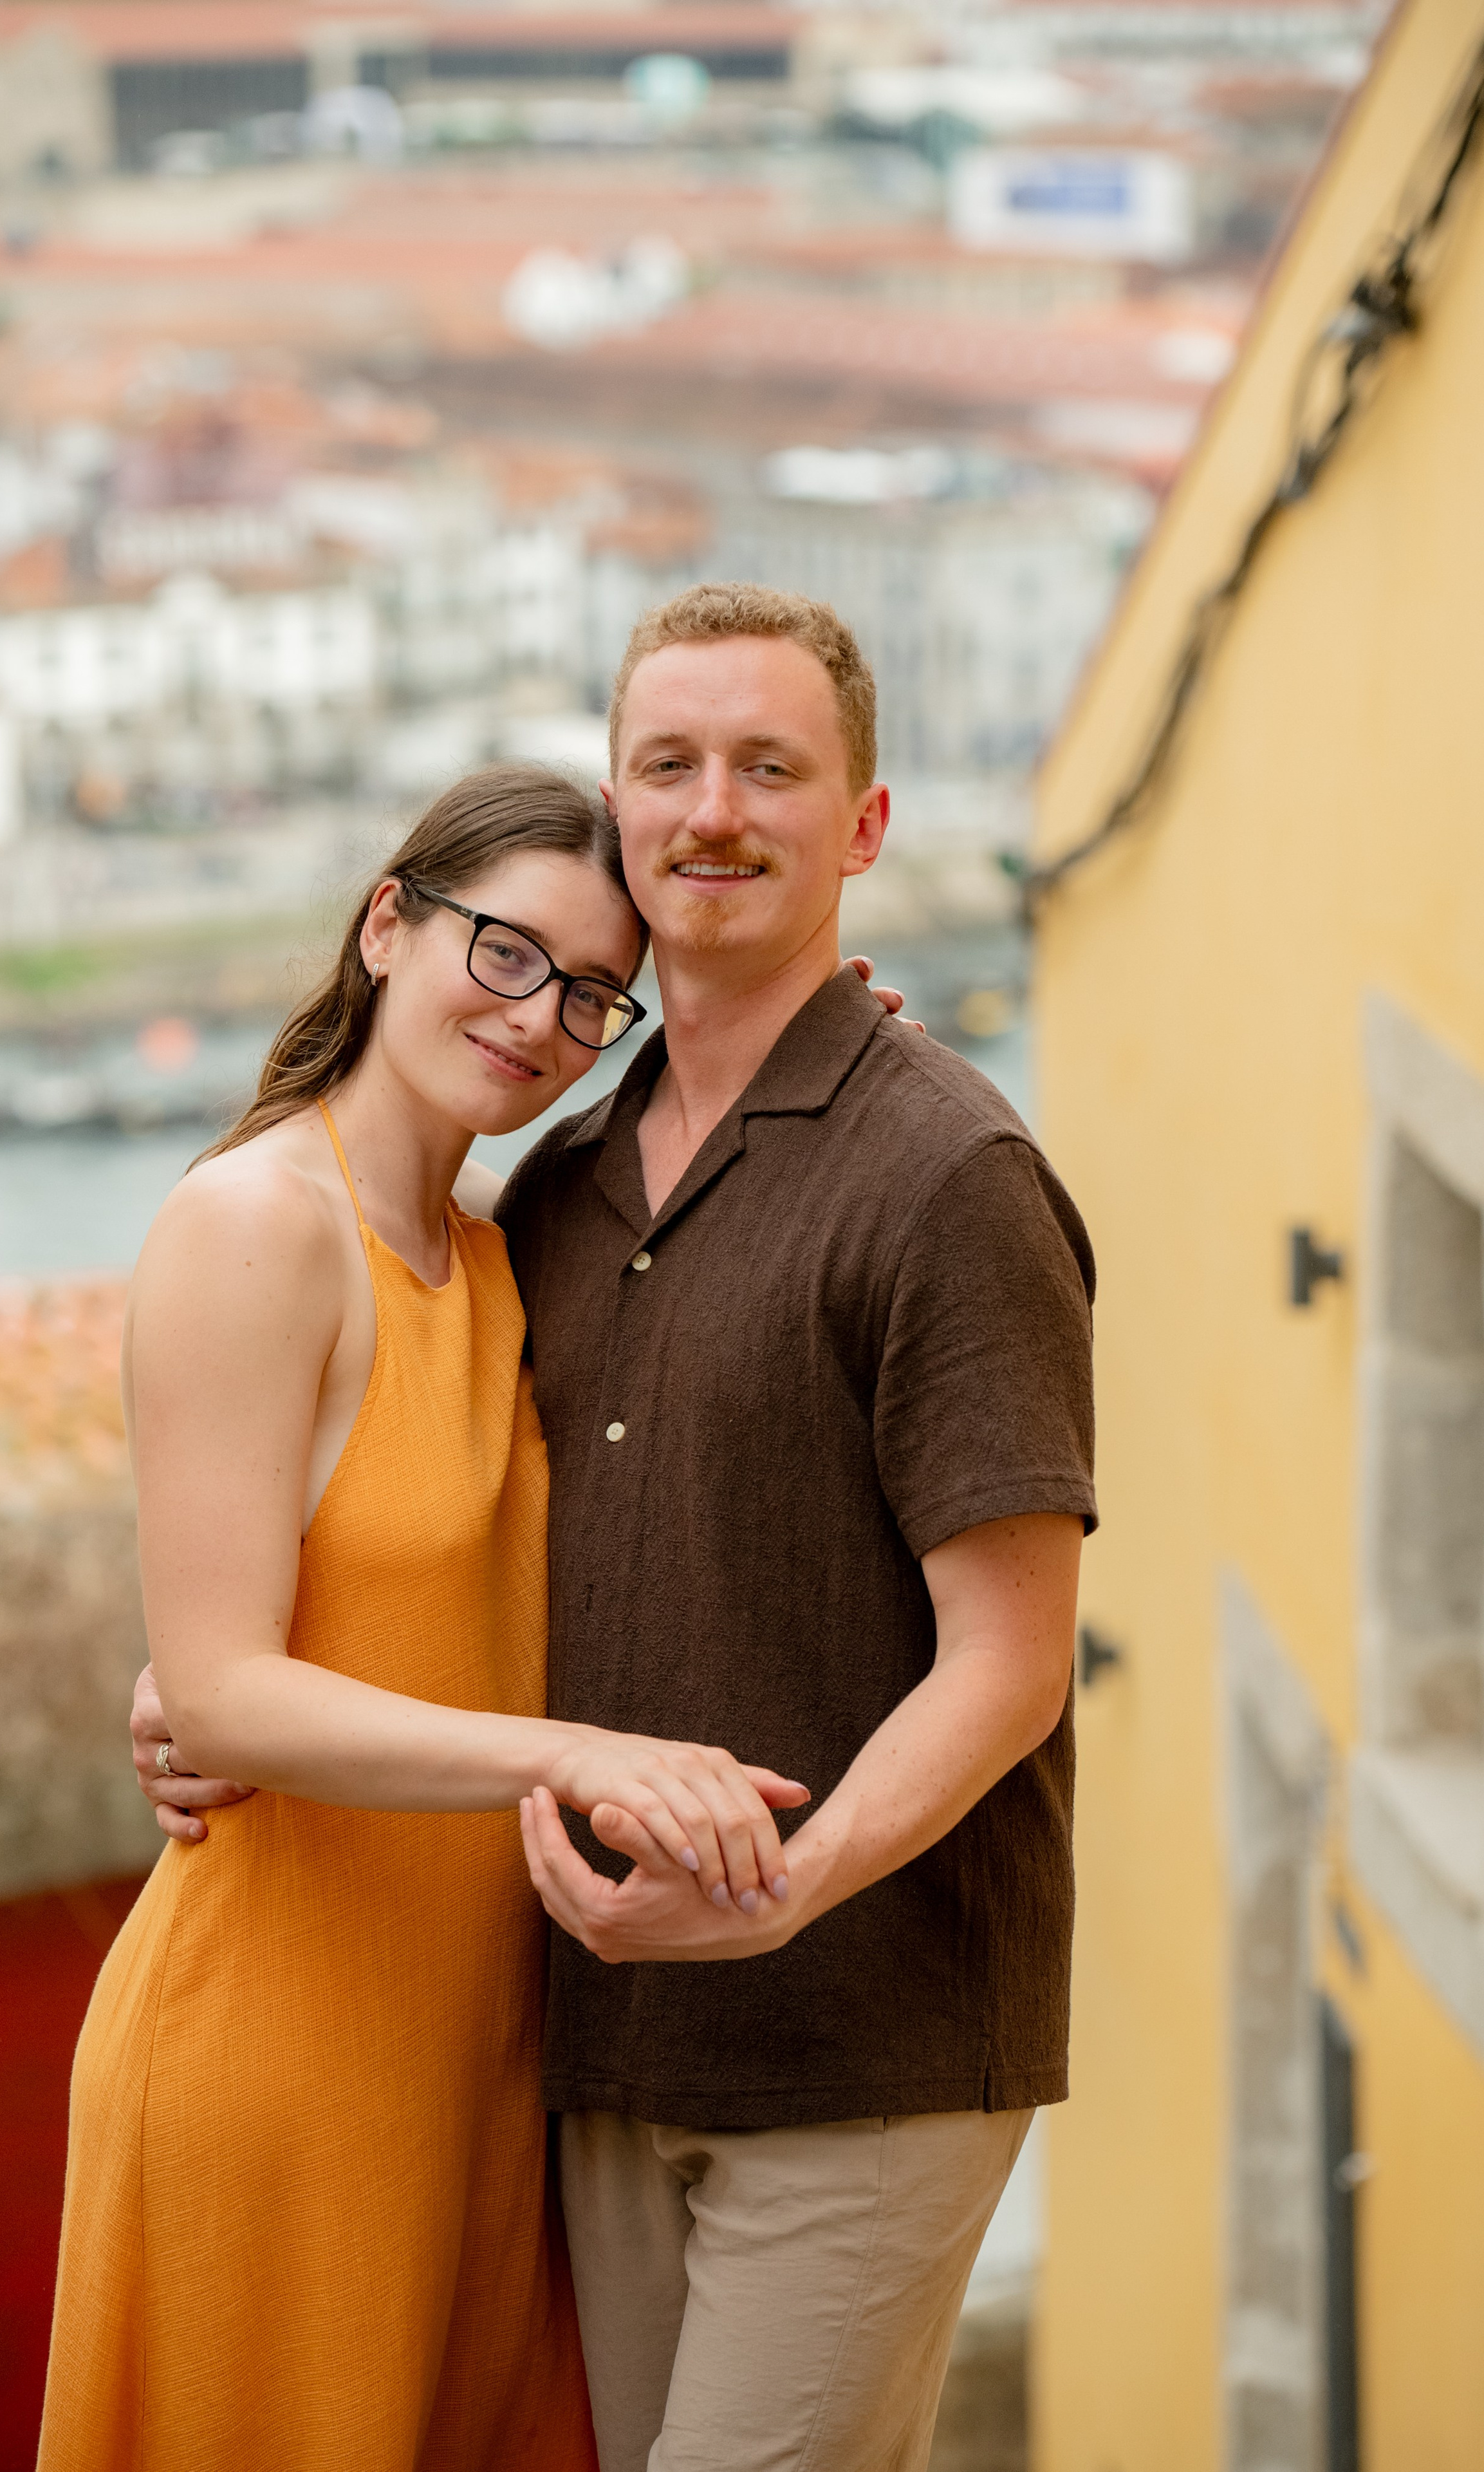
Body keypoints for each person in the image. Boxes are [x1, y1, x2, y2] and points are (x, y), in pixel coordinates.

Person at [136, 584, 1097, 2472]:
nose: (713, 809)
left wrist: (780, 1890)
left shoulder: (950, 1173)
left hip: (864, 2045)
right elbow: (414, 1512)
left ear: (868, 825)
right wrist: (196, 1678)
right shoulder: (560, 1190)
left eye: (770, 767)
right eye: (669, 763)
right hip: (581, 2047)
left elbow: (1014, 1661)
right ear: (621, 803)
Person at [38, 765, 812, 2472]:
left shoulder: (493, 1254)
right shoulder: (253, 1227)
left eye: (595, 994)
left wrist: (820, 1044)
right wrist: (593, 1756)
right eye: (509, 953)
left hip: (473, 2068)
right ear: (389, 924)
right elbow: (229, 1699)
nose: (546, 1021)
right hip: (281, 2071)